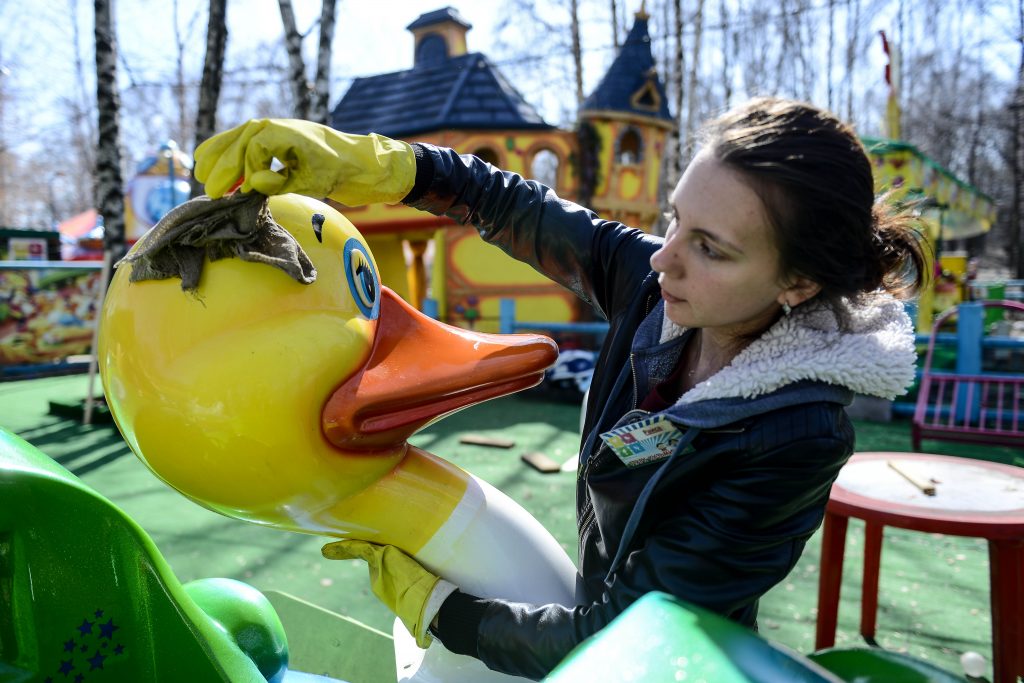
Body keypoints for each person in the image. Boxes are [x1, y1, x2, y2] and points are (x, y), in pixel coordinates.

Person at [193, 97, 926, 679]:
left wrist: (444, 611)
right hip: (600, 605)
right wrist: (387, 166)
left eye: (711, 247)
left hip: (669, 661)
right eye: (676, 220)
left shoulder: (794, 435)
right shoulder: (660, 289)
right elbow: (515, 205)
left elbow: (626, 631)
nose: (665, 257)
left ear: (797, 281)